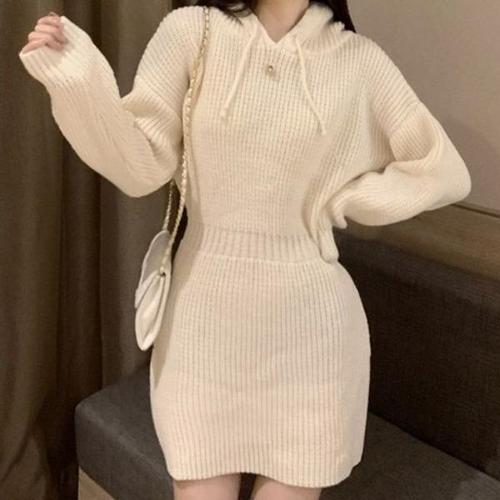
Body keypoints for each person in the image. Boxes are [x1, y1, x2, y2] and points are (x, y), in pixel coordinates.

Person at [18, 1, 472, 499]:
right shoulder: (191, 33)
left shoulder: (359, 60)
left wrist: (346, 200)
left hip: (313, 340)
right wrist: (78, 79)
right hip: (202, 329)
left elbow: (442, 169)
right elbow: (140, 164)